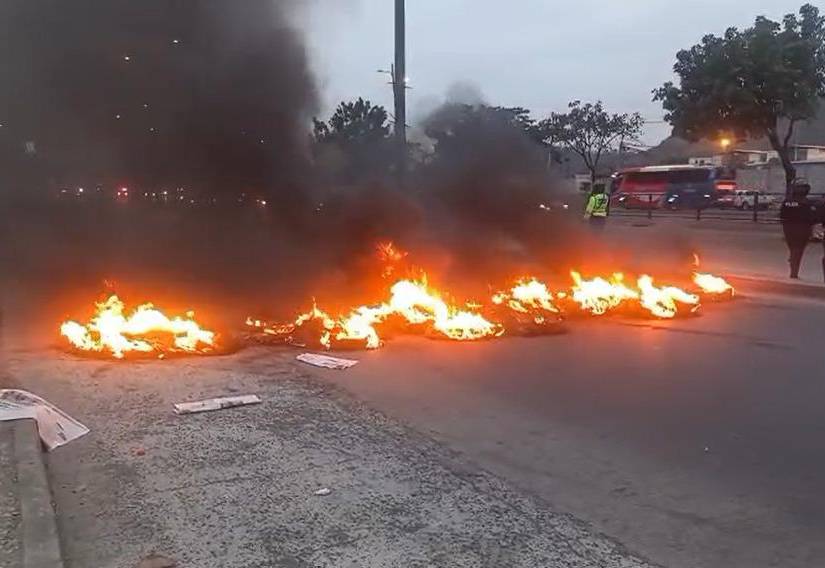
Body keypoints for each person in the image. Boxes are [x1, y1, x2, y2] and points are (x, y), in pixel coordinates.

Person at [779, 179, 818, 279]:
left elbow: (782, 216)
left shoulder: (787, 202)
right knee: (798, 250)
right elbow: (812, 218)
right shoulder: (807, 203)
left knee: (793, 248)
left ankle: (793, 263)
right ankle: (794, 272)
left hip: (788, 229)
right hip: (803, 229)